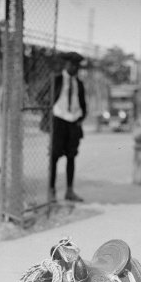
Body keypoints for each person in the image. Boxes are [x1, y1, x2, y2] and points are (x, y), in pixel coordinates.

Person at [48, 51, 87, 202]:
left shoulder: (79, 83)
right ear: (66, 64)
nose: (75, 68)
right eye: (73, 65)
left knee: (71, 157)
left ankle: (69, 191)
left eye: (77, 66)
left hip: (73, 123)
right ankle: (51, 191)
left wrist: (81, 117)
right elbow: (43, 97)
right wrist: (50, 115)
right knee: (54, 156)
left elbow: (83, 104)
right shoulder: (57, 80)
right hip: (59, 120)